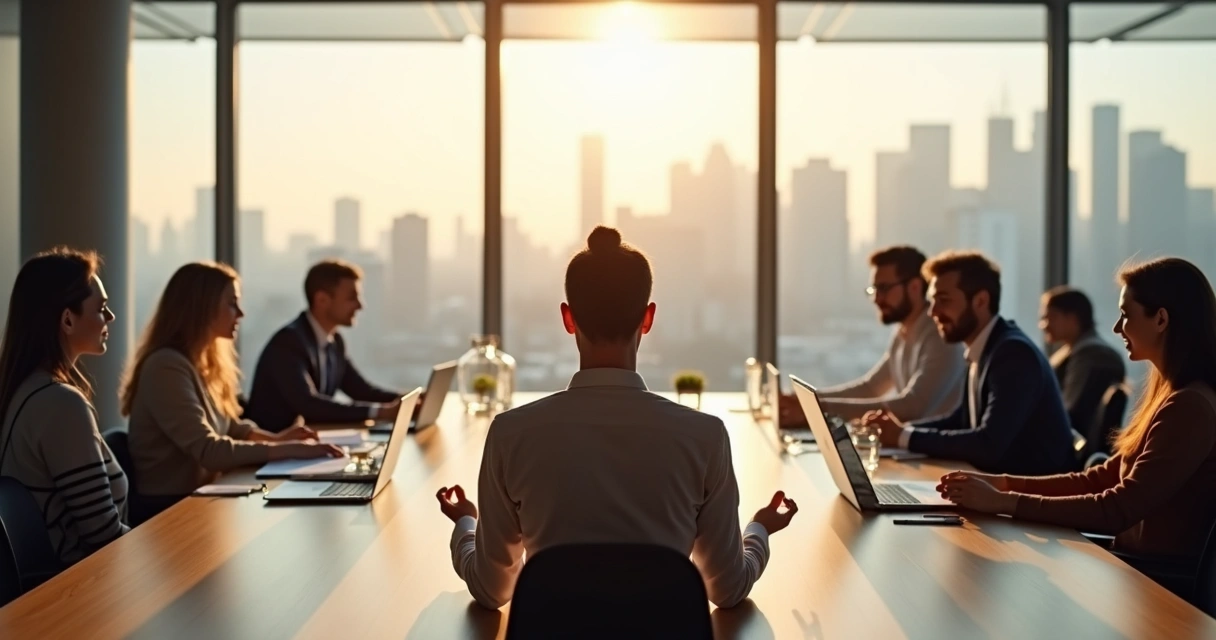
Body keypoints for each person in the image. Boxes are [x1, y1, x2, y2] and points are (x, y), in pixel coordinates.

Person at [435, 226, 798, 610]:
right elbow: (726, 589)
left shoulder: (511, 434)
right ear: (648, 318)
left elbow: (493, 591)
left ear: (568, 318)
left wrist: (466, 525)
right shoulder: (704, 437)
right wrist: (759, 530)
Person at [939, 258, 1216, 594]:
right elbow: (1103, 476)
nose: (1117, 328)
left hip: (1157, 585)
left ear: (1160, 319)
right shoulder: (1170, 394)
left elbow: (1117, 509)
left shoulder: (1190, 406)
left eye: (1126, 315)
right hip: (1136, 570)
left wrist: (1002, 502)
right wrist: (1002, 484)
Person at [123, 263, 342, 520]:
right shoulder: (165, 367)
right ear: (201, 308)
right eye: (231, 303)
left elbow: (229, 427)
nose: (241, 313)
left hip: (203, 498)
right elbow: (209, 451)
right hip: (168, 512)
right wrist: (288, 450)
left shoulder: (201, 362)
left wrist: (277, 440)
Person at [864, 251, 1075, 475]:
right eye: (933, 301)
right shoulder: (986, 347)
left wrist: (903, 436)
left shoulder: (1013, 354)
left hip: (1029, 499)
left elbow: (988, 445)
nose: (933, 312)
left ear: (980, 301)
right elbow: (961, 419)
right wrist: (900, 432)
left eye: (943, 300)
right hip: (998, 489)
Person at [0, 248, 129, 565]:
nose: (110, 317)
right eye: (101, 308)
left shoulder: (25, 390)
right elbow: (103, 537)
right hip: (81, 593)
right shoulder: (60, 404)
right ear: (68, 320)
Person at [778, 246, 965, 425]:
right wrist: (804, 400)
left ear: (915, 287)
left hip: (937, 455)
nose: (877, 299)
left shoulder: (939, 335)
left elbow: (912, 406)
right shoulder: (904, 331)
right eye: (875, 289)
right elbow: (871, 388)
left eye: (884, 288)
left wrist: (818, 409)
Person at [245, 260, 403, 432]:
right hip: (274, 452)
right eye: (352, 298)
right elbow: (309, 405)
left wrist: (405, 400)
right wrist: (380, 412)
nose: (360, 305)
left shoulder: (334, 342)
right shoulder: (289, 343)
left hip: (305, 448)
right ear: (322, 300)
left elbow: (360, 390)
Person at [1039, 286, 1126, 451]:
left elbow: (1069, 415)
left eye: (1051, 317)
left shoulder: (1093, 357)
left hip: (1070, 452)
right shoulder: (1081, 352)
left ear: (1072, 319)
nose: (1044, 325)